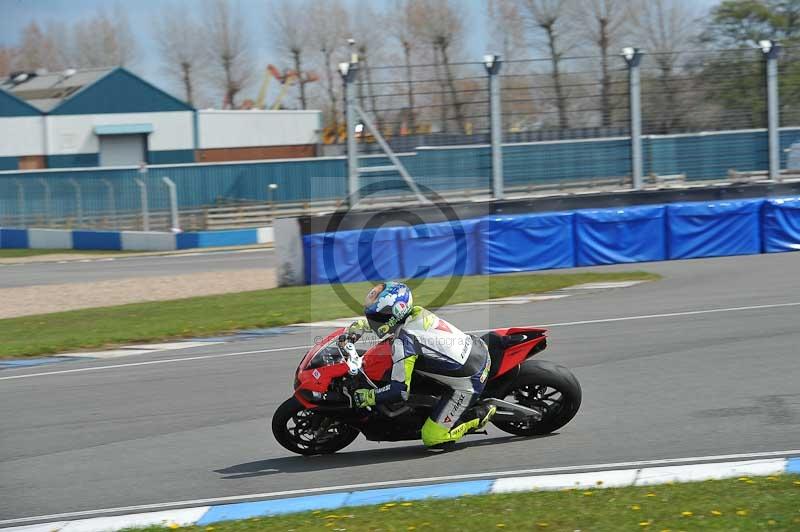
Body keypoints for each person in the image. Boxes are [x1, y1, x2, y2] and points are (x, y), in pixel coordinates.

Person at [340, 281, 496, 449]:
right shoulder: (416, 312)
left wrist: (367, 397)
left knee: (433, 438)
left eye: (375, 316)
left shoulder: (404, 343)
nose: (371, 319)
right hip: (475, 348)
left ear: (390, 316)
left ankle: (479, 414)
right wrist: (358, 328)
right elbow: (388, 325)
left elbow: (399, 391)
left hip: (470, 380)